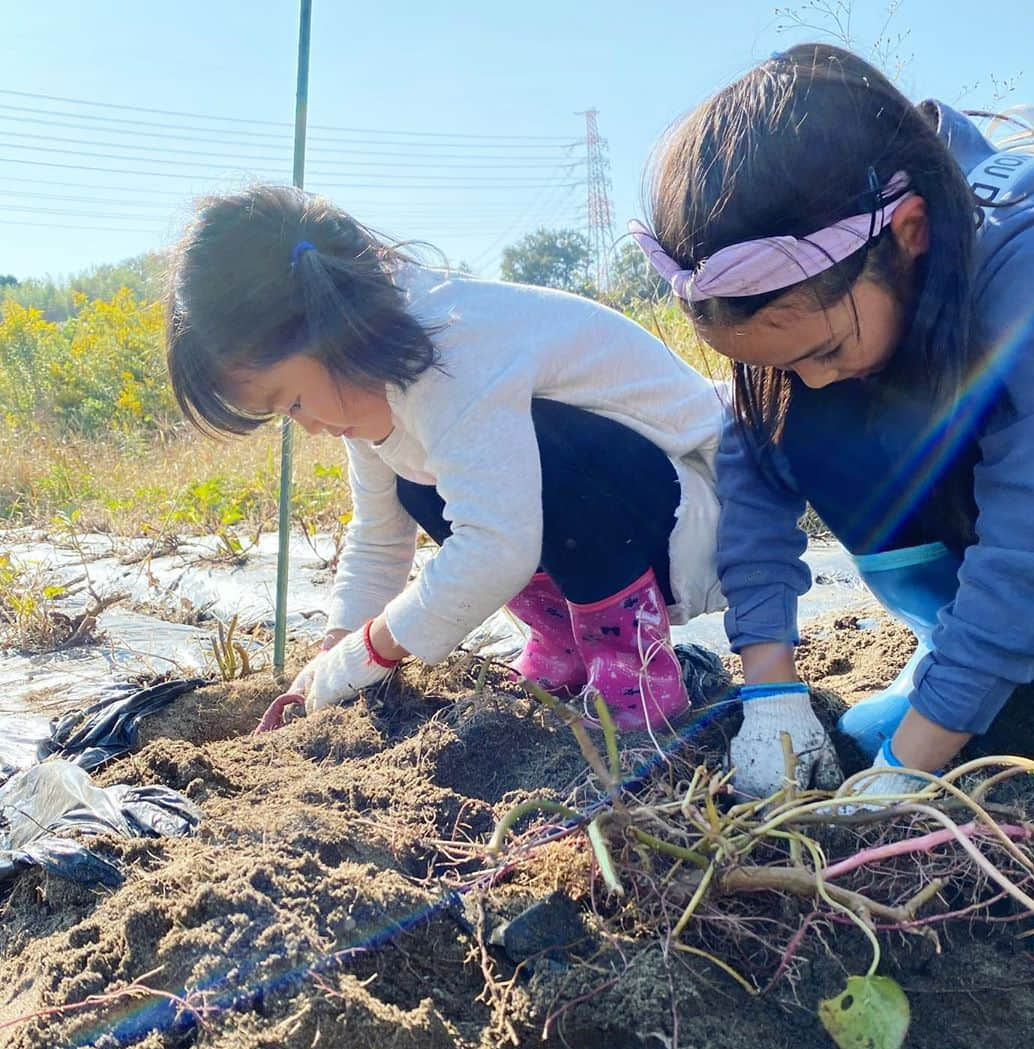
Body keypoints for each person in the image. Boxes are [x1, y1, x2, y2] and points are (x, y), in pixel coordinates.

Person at [631, 43, 1034, 799]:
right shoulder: (833, 316)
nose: (810, 378)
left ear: (910, 233)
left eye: (825, 347)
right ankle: (974, 669)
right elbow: (755, 473)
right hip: (1008, 578)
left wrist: (906, 770)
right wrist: (769, 689)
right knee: (800, 417)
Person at [165, 185, 726, 732]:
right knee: (418, 485)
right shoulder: (366, 382)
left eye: (292, 401)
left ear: (327, 332)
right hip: (633, 524)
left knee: (539, 452)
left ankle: (633, 668)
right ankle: (567, 649)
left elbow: (497, 545)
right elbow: (379, 539)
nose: (307, 426)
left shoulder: (452, 348)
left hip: (702, 519)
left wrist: (374, 649)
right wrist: (336, 649)